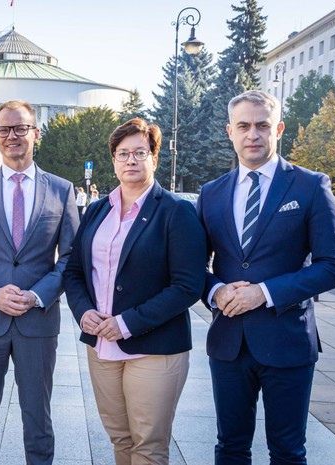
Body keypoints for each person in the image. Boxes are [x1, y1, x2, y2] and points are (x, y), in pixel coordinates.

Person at [197, 90, 335, 464]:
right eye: (243, 126)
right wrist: (217, 291)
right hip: (229, 342)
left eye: (262, 125)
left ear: (278, 129)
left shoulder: (310, 186)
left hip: (288, 340)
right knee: (230, 447)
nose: (253, 134)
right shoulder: (211, 193)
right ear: (230, 132)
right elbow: (192, 269)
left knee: (287, 451)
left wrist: (263, 292)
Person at [63, 117, 206, 464]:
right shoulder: (97, 210)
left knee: (148, 445)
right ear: (113, 160)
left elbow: (188, 286)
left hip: (154, 348)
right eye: (123, 153)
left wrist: (126, 323)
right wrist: (83, 312)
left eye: (140, 152)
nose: (131, 160)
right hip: (101, 346)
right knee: (120, 439)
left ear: (154, 158)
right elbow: (74, 271)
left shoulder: (176, 212)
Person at [0, 100, 80, 465]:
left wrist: (38, 295)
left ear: (36, 134)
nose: (12, 136)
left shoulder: (62, 190)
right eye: (3, 129)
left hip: (37, 322)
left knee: (38, 421)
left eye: (20, 128)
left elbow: (71, 258)